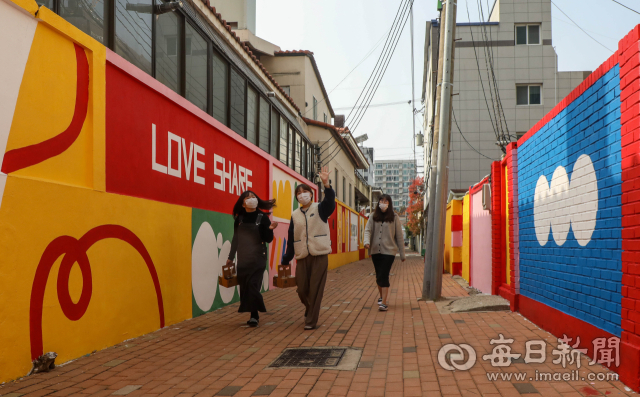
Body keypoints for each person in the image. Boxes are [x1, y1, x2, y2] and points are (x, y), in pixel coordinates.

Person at [281, 166, 335, 330]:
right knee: (302, 289)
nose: (302, 195)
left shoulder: (320, 208)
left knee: (316, 289)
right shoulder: (294, 215)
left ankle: (311, 321)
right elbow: (292, 237)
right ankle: (310, 309)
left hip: (319, 254)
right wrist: (286, 258)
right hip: (302, 255)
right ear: (296, 197)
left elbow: (330, 202)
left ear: (311, 194)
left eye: (305, 192)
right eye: (298, 193)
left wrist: (326, 184)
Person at [227, 191, 278, 327]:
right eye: (248, 198)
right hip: (243, 257)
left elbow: (267, 239)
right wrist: (230, 257)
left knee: (252, 285)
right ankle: (254, 313)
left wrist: (270, 229)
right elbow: (235, 239)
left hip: (258, 257)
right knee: (245, 286)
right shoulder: (240, 219)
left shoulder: (263, 217)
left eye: (254, 197)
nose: (251, 199)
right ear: (243, 203)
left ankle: (254, 314)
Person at [364, 195, 406, 311]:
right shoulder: (373, 216)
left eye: (386, 201)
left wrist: (402, 254)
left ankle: (384, 302)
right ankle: (382, 296)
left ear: (389, 203)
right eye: (381, 200)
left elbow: (399, 236)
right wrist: (366, 242)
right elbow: (367, 230)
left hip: (389, 252)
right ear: (378, 202)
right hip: (375, 251)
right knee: (378, 276)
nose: (383, 202)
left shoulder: (394, 217)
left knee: (384, 274)